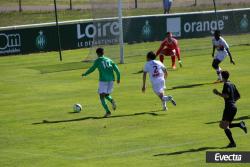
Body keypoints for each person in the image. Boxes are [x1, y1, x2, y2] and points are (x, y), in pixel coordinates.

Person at [82, 48, 120, 118]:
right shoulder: (109, 60)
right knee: (106, 95)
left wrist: (85, 74)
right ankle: (112, 100)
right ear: (103, 53)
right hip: (111, 80)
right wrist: (118, 78)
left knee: (101, 96)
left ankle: (108, 112)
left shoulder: (98, 61)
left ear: (97, 54)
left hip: (103, 80)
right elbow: (117, 69)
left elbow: (92, 69)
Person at [213, 70, 247, 148]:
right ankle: (240, 124)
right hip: (233, 107)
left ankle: (232, 143)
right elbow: (238, 96)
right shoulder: (232, 84)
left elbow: (227, 95)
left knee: (224, 126)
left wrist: (217, 93)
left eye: (221, 76)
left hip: (229, 108)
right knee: (223, 125)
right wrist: (233, 102)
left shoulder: (226, 85)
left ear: (223, 77)